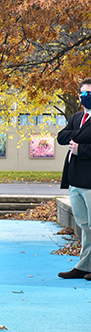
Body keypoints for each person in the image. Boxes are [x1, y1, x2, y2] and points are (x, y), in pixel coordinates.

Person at [56, 77, 91, 280]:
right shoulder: (77, 117)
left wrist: (81, 148)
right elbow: (61, 136)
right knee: (84, 225)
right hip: (74, 179)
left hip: (89, 181)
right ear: (79, 96)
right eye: (85, 93)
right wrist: (80, 135)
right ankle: (84, 264)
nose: (88, 97)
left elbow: (70, 138)